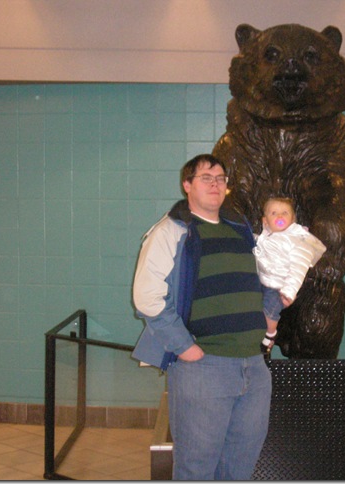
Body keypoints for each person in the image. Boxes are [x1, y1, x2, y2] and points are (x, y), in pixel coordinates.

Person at [131, 154, 271, 480]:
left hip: (254, 367)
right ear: (187, 185)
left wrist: (272, 310)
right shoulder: (172, 231)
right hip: (204, 368)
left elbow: (260, 280)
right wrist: (184, 347)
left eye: (221, 179)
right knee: (196, 469)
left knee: (239, 469)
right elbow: (147, 297)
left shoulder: (241, 229)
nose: (215, 184)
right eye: (206, 178)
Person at [253, 197, 327, 355]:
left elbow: (298, 269)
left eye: (284, 213)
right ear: (265, 221)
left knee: (270, 311)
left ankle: (269, 335)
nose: (279, 216)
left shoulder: (298, 242)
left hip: (279, 287)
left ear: (292, 219)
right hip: (263, 282)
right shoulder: (266, 237)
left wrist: (289, 292)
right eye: (274, 213)